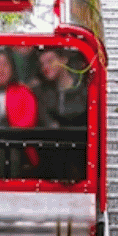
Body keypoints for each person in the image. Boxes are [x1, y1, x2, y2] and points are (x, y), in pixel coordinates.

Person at [0, 50, 39, 177]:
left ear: (12, 69)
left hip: (17, 145)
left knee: (4, 148)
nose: (1, 69)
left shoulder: (23, 92)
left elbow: (28, 122)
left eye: (6, 65)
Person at [33, 48, 88, 179]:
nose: (46, 67)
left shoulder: (84, 88)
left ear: (64, 59)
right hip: (54, 155)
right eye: (42, 64)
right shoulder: (42, 92)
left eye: (50, 61)